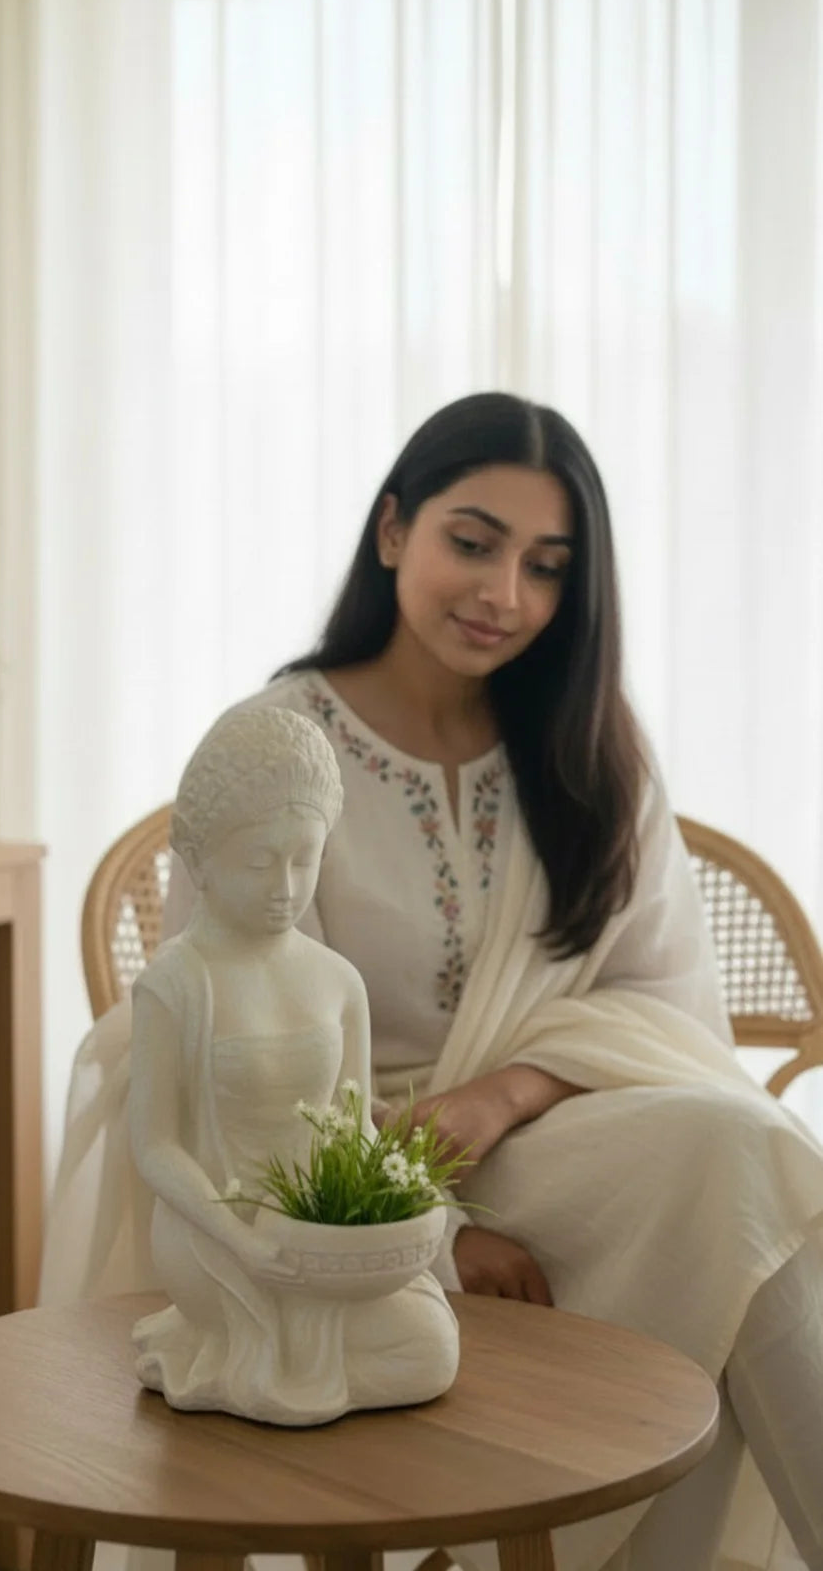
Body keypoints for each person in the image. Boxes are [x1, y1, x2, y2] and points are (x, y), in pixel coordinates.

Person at [41, 392, 823, 1571]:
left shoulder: (591, 751)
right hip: (313, 1176)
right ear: (394, 529)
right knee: (747, 1163)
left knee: (744, 1155)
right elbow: (209, 1055)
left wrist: (496, 1098)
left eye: (546, 565)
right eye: (473, 540)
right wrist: (424, 1225)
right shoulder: (277, 743)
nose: (504, 592)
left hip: (557, 1137)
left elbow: (669, 1013)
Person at [130, 704, 458, 1424]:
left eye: (304, 859)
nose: (285, 885)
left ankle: (300, 1363)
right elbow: (154, 1147)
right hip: (215, 1241)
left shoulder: (337, 981)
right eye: (259, 861)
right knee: (349, 1357)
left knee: (433, 1349)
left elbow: (353, 1128)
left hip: (318, 1233)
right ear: (201, 859)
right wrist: (242, 1239)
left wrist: (395, 1207)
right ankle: (268, 1358)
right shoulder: (177, 985)